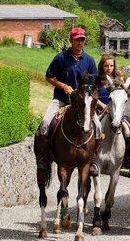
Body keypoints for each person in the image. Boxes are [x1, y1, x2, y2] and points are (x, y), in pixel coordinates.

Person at [35, 27, 102, 176]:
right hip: (61, 100)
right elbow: (49, 77)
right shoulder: (60, 58)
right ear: (70, 40)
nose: (79, 42)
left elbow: (93, 83)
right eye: (77, 39)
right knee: (46, 123)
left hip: (83, 104)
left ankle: (93, 160)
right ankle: (44, 159)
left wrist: (88, 95)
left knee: (98, 126)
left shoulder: (90, 61)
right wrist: (63, 86)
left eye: (82, 40)